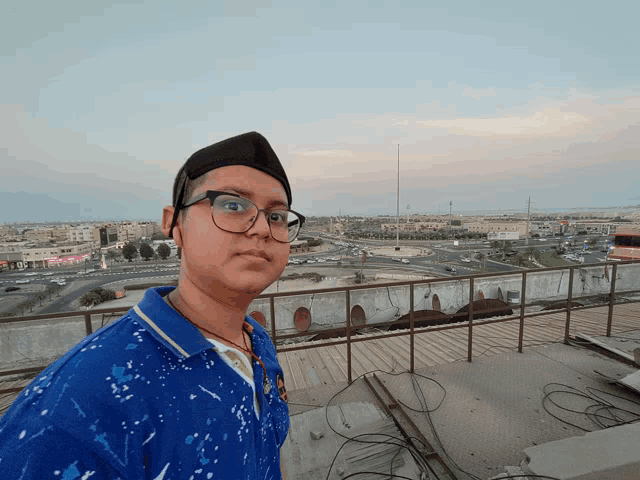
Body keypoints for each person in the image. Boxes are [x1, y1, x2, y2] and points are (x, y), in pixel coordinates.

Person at [0, 131, 305, 479]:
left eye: (277, 216)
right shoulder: (79, 408)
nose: (263, 228)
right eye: (233, 205)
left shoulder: (258, 344)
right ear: (174, 224)